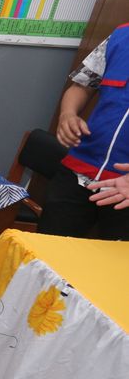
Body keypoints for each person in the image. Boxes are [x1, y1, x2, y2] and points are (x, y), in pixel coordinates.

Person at [39, 25, 129, 239]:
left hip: (124, 190)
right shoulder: (120, 35)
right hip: (79, 171)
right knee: (48, 255)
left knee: (113, 270)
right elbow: (81, 86)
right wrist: (68, 114)